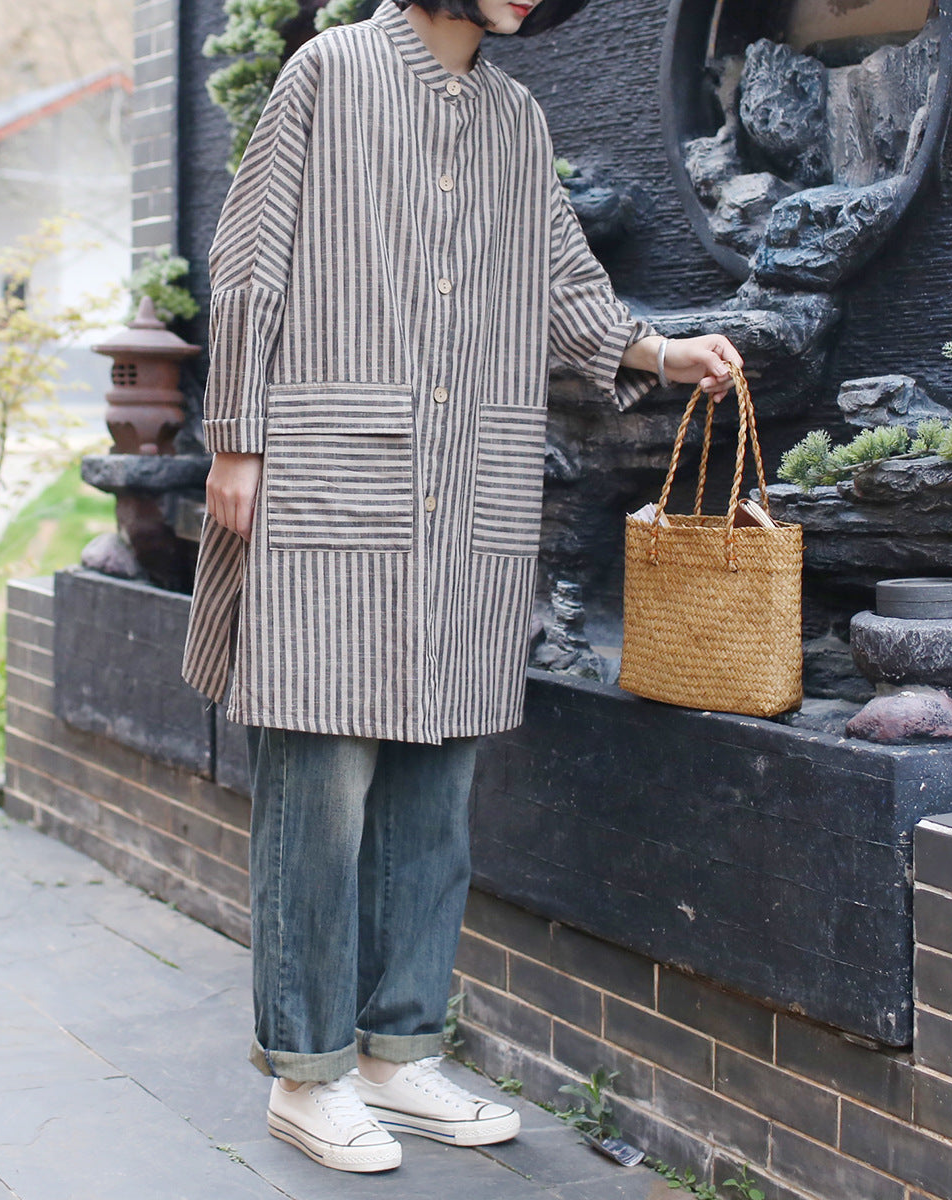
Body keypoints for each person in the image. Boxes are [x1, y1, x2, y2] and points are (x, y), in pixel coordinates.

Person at [181, 0, 743, 1175]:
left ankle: (399, 1050)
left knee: (436, 785)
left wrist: (658, 350)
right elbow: (251, 257)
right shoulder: (330, 72)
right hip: (334, 477)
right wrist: (237, 438)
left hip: (465, 492)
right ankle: (307, 1072)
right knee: (322, 785)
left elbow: (560, 280)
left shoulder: (516, 117)